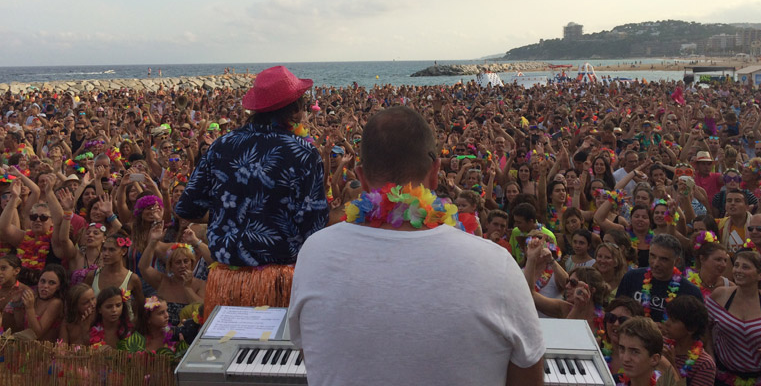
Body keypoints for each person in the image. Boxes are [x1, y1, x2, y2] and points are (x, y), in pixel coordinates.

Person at [288, 106, 545, 386]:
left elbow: (312, 353)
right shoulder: (498, 264)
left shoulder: (314, 252)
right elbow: (529, 377)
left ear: (360, 178)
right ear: (435, 173)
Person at [175, 66, 328, 310]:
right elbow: (315, 225)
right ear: (295, 110)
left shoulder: (221, 145)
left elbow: (186, 207)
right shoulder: (303, 152)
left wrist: (227, 214)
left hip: (224, 281)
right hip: (279, 284)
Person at [706, 249, 761, 385]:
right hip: (723, 377)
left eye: (745, 267)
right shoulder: (720, 296)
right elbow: (706, 327)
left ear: (760, 275)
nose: (738, 270)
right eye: (737, 265)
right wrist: (710, 356)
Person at [617, 233, 703, 323]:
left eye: (664, 259)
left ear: (677, 261)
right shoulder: (631, 278)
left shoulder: (690, 292)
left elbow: (697, 331)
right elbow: (616, 312)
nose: (656, 263)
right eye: (652, 256)